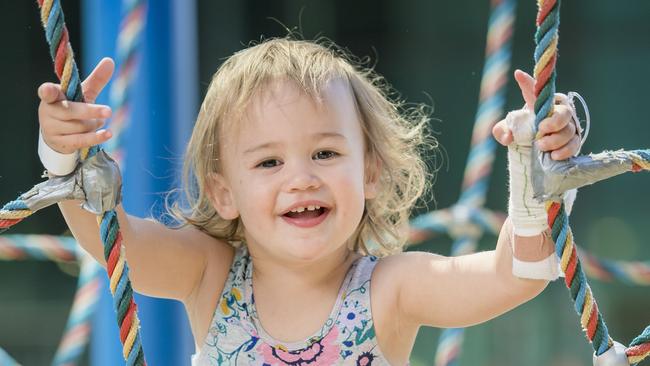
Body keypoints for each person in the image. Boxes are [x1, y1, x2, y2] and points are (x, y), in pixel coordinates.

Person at [36, 38, 580, 365]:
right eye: (269, 162)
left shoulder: (389, 289)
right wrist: (65, 156)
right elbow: (112, 240)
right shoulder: (209, 273)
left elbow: (515, 274)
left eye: (324, 153)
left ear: (368, 170)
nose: (301, 179)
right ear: (224, 191)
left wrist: (538, 174)